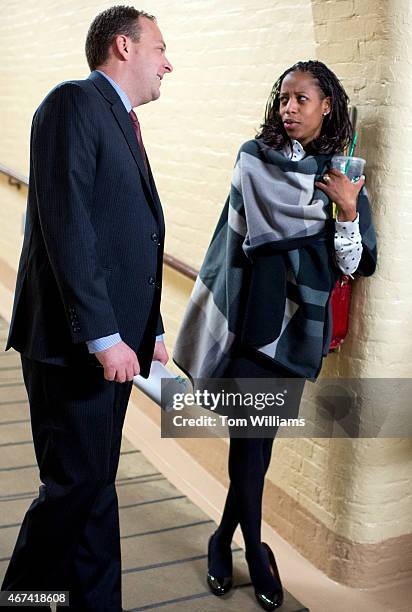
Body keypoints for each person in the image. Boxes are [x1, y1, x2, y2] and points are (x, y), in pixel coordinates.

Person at [174, 60, 377, 611]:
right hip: (250, 322)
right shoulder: (253, 158)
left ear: (326, 105)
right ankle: (256, 553)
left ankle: (223, 538)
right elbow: (232, 239)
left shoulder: (341, 173)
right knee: (250, 443)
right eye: (284, 98)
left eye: (302, 99)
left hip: (298, 329)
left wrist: (349, 209)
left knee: (256, 448)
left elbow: (356, 265)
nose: (289, 108)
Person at [2, 6, 172, 610]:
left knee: (96, 486)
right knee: (73, 489)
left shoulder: (118, 120)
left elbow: (125, 237)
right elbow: (68, 225)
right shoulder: (72, 104)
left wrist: (143, 328)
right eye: (158, 49)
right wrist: (104, 336)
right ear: (123, 47)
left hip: (110, 346)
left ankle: (97, 602)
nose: (167, 63)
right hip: (72, 346)